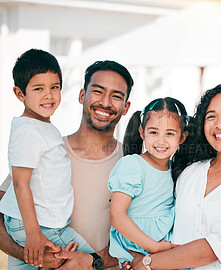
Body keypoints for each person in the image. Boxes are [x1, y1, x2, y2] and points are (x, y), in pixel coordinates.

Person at [128, 84, 221, 270]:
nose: (220, 124)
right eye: (211, 117)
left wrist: (147, 263)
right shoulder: (190, 172)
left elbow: (215, 249)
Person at [0, 60, 133, 270]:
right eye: (98, 91)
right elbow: (5, 213)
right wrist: (34, 255)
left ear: (126, 107)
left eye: (116, 96)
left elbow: (143, 238)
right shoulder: (46, 150)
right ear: (82, 96)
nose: (105, 103)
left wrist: (92, 261)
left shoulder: (133, 163)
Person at [0, 49, 94, 269]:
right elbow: (20, 182)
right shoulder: (28, 130)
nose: (49, 95)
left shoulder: (42, 126)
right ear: (19, 93)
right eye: (38, 88)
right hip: (42, 226)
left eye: (55, 87)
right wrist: (33, 233)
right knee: (89, 259)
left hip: (35, 223)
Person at [108, 97, 188, 267]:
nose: (161, 140)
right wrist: (154, 247)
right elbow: (117, 215)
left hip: (163, 246)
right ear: (142, 132)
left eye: (169, 133)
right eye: (153, 132)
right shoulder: (133, 164)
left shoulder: (175, 169)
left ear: (182, 137)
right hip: (139, 244)